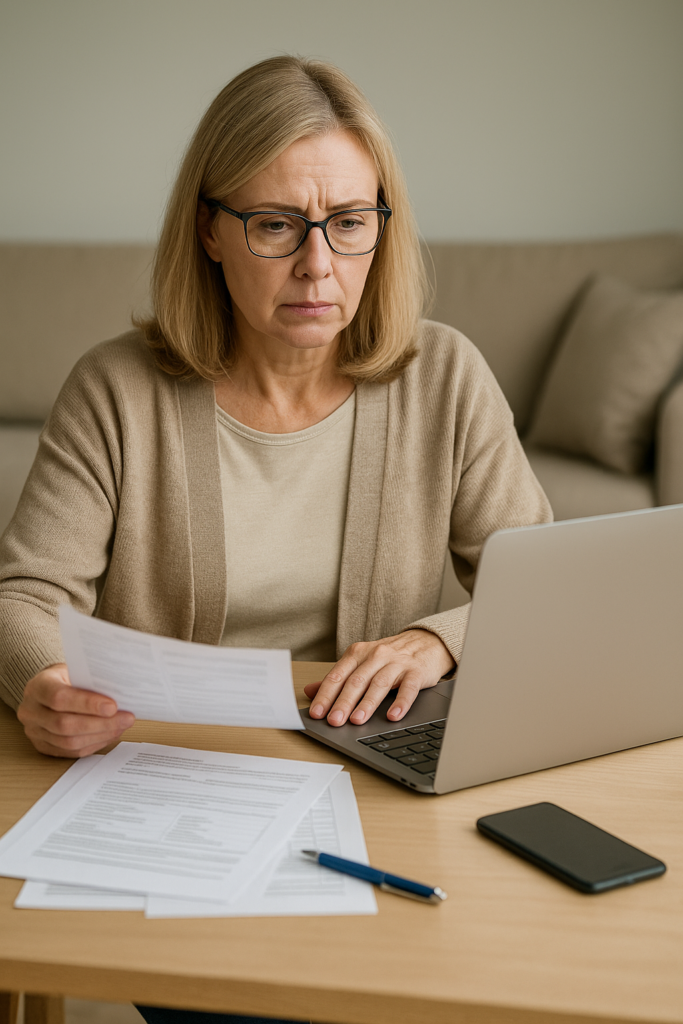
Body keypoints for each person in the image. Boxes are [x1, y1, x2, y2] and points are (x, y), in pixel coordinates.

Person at [0, 53, 552, 1024]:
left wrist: (437, 638)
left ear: (382, 225)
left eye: (348, 223)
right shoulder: (113, 390)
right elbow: (23, 597)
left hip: (375, 790)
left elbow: (542, 594)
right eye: (274, 226)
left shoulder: (447, 377)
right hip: (173, 791)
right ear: (210, 230)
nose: (317, 266)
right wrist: (44, 684)